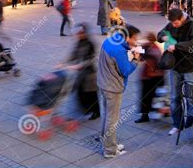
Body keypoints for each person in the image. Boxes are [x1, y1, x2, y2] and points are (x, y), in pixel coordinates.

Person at [97, 24, 141, 158]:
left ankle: (107, 141)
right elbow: (126, 70)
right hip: (113, 88)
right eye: (134, 39)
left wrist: (129, 50)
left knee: (107, 115)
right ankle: (110, 150)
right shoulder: (118, 51)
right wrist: (135, 59)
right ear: (127, 37)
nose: (136, 42)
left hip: (103, 83)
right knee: (112, 119)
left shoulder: (109, 41)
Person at [157, 8, 193, 136]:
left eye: (176, 23)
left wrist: (177, 46)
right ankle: (177, 124)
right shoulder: (171, 24)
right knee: (175, 97)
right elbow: (160, 34)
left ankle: (190, 122)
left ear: (182, 18)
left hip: (190, 66)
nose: (174, 25)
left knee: (190, 98)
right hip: (175, 66)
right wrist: (163, 36)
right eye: (172, 23)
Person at [68, 24, 99, 120]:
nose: (78, 35)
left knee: (91, 94)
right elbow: (74, 54)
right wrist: (64, 62)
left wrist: (80, 65)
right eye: (78, 33)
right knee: (80, 91)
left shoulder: (91, 44)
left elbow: (92, 58)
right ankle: (86, 110)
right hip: (81, 73)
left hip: (90, 73)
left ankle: (96, 112)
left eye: (81, 33)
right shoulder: (79, 42)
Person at [135, 32, 164, 123]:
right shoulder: (148, 46)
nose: (147, 40)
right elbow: (139, 56)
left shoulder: (155, 50)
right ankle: (147, 114)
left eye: (148, 38)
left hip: (153, 77)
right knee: (148, 97)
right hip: (148, 77)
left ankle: (149, 114)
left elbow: (156, 64)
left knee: (149, 97)